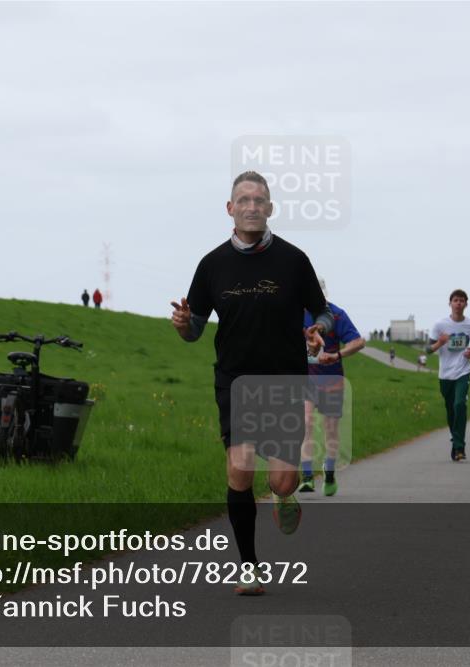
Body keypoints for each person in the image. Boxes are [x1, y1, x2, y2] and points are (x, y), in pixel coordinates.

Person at [170, 171, 333, 596]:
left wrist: (317, 328)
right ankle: (249, 568)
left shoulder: (294, 260)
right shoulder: (212, 265)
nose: (252, 206)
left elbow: (324, 312)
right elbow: (195, 330)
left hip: (284, 380)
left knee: (281, 480)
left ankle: (283, 497)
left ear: (270, 208)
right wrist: (185, 325)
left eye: (260, 199)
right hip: (235, 380)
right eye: (243, 199)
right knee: (240, 469)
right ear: (230, 208)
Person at [298, 285, 365, 497]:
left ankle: (329, 473)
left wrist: (337, 355)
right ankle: (307, 477)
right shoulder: (297, 313)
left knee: (330, 429)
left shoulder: (337, 314)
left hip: (332, 381)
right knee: (306, 424)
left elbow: (358, 342)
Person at [428, 289, 470, 462]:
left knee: (459, 405)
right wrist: (440, 342)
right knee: (451, 410)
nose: (458, 303)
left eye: (462, 300)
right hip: (445, 374)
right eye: (455, 300)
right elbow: (428, 350)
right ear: (450, 303)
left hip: (463, 371)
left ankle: (459, 447)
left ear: (466, 304)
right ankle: (455, 439)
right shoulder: (440, 325)